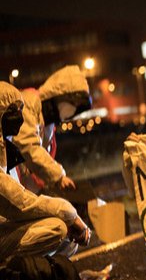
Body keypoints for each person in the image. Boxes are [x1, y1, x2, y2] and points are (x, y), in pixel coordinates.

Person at [0, 81, 90, 264]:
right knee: (57, 228)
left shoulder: (4, 149)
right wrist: (69, 212)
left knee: (67, 238)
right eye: (12, 113)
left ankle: (31, 278)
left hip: (6, 223)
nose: (18, 120)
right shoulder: (34, 105)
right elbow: (17, 202)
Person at [13, 65, 91, 194]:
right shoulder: (29, 102)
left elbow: (40, 159)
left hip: (21, 187)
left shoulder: (48, 124)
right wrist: (58, 177)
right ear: (61, 95)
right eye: (73, 103)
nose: (73, 110)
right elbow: (28, 146)